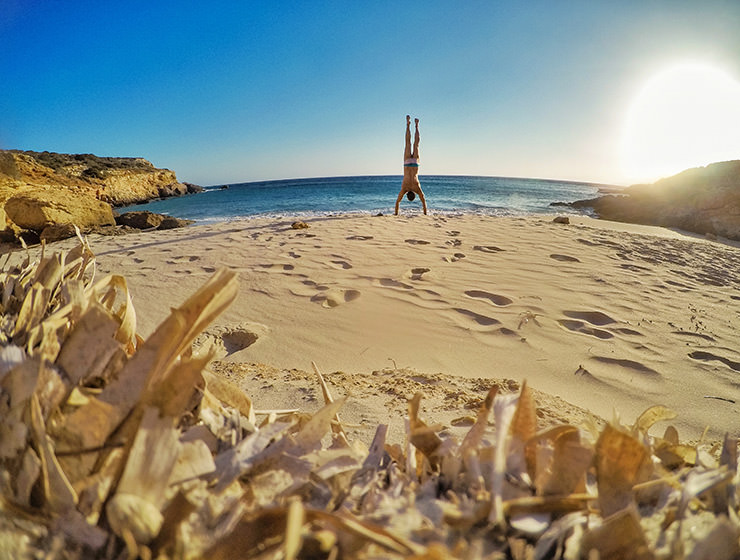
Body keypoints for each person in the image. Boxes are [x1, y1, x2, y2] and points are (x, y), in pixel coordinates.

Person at [395, 115, 427, 215]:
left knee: (416, 144)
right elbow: (397, 202)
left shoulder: (417, 188)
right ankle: (408, 124)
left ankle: (416, 125)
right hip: (407, 164)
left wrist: (425, 212)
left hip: (415, 165)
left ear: (414, 195)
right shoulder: (404, 188)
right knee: (408, 143)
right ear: (407, 195)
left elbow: (424, 201)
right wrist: (396, 213)